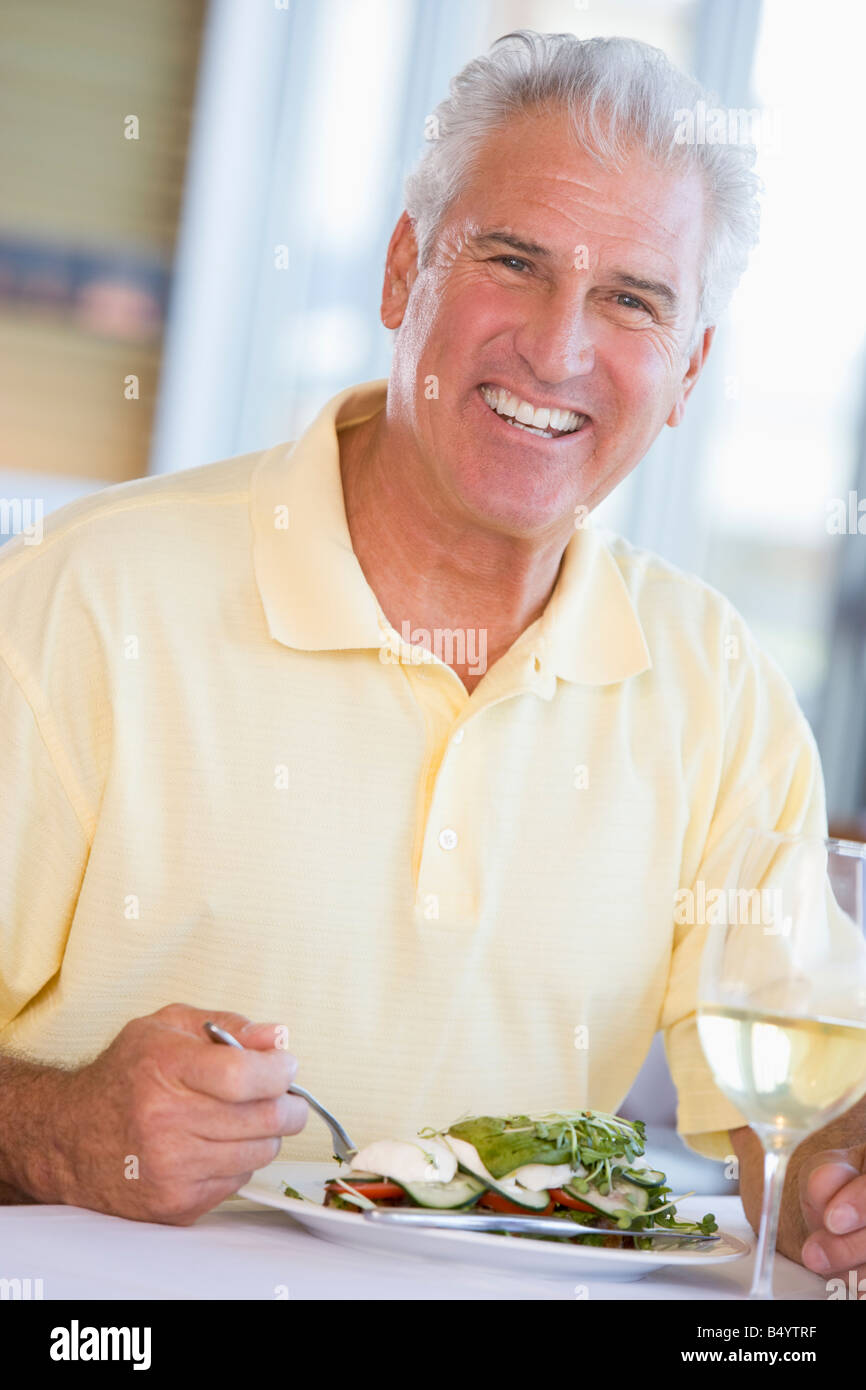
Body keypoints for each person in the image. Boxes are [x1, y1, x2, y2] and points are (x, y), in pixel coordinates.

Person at [0, 30, 861, 1279]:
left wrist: (840, 1177)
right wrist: (63, 1129)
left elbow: (790, 1117)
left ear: (687, 371)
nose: (559, 348)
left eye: (632, 298)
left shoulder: (716, 691)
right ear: (404, 270)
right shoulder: (81, 599)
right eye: (511, 260)